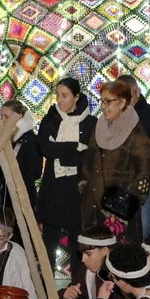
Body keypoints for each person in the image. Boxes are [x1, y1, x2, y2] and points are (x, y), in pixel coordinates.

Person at [79, 78, 150, 240]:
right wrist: (84, 183)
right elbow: (89, 160)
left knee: (118, 259)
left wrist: (124, 202)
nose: (103, 107)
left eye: (108, 102)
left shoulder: (137, 135)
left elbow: (144, 175)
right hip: (92, 206)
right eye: (102, 101)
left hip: (119, 212)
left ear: (122, 103)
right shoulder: (99, 127)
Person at [36, 77, 94, 255]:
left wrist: (62, 149)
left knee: (77, 243)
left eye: (65, 95)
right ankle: (46, 282)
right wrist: (75, 147)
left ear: (76, 97)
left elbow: (90, 155)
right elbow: (46, 149)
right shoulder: (50, 120)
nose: (59, 100)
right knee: (49, 243)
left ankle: (77, 281)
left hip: (77, 190)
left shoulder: (90, 122)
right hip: (53, 187)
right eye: (58, 95)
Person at [118, 74, 150, 231]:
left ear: (137, 92)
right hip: (118, 186)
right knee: (118, 234)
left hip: (144, 187)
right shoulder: (113, 116)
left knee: (142, 233)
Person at [61, 227, 115, 299]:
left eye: (88, 254)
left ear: (105, 251)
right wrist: (66, 294)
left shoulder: (119, 278)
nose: (83, 260)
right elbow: (73, 292)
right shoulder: (85, 271)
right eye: (82, 254)